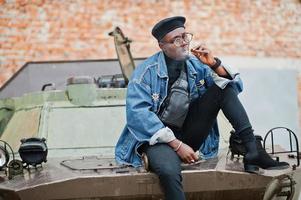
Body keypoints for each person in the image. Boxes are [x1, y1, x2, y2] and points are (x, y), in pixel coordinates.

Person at [115, 16, 289, 200]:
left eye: (185, 36)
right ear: (162, 46)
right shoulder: (144, 73)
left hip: (190, 132)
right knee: (168, 171)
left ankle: (252, 150)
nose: (184, 43)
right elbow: (138, 115)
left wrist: (213, 63)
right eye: (176, 39)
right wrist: (178, 145)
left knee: (223, 89)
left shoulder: (195, 64)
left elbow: (234, 88)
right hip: (159, 140)